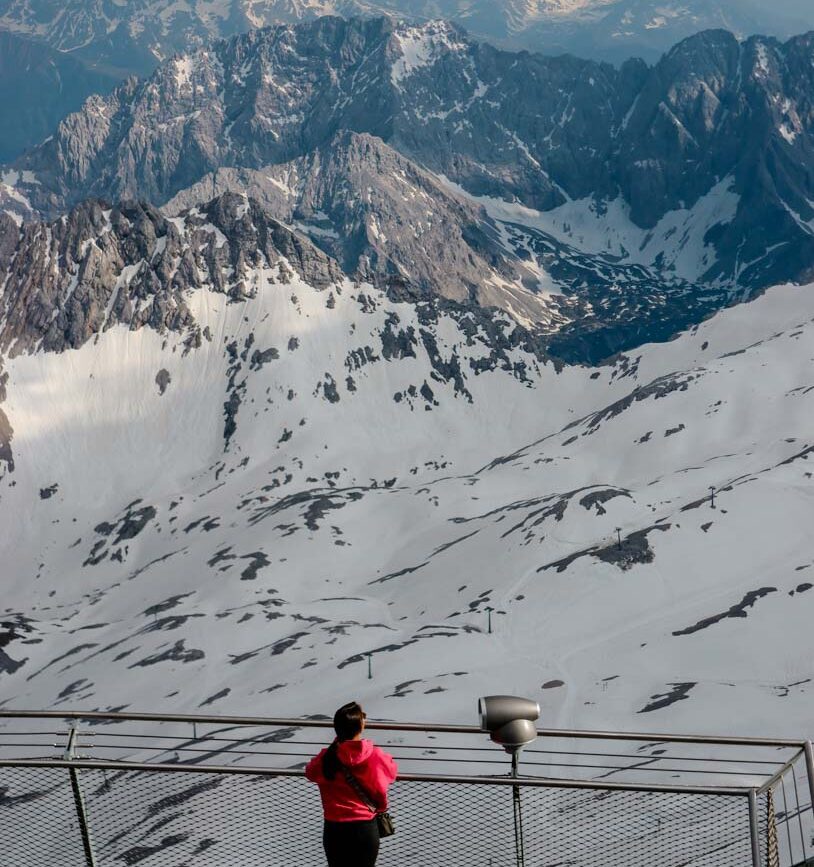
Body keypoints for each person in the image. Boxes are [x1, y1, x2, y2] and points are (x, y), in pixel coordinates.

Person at [305, 701, 398, 867]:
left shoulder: (327, 758)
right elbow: (390, 772)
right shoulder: (374, 755)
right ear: (360, 725)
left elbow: (310, 772)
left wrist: (334, 747)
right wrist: (382, 807)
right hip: (364, 827)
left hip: (334, 827)